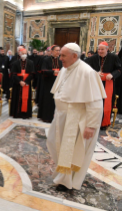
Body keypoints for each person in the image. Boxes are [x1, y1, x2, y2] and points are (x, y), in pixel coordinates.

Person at [47, 43, 106, 191]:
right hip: (61, 116)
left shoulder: (87, 72)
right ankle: (62, 175)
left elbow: (95, 102)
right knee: (54, 142)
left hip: (76, 118)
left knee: (72, 151)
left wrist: (91, 126)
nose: (60, 58)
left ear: (74, 56)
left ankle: (67, 182)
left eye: (63, 55)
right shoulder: (65, 69)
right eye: (60, 55)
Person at [86, 41, 121, 129]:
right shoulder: (93, 58)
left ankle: (104, 123)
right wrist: (95, 73)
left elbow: (119, 69)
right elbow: (86, 69)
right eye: (99, 49)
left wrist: (112, 75)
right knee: (94, 103)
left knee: (105, 103)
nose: (100, 51)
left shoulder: (113, 57)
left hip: (108, 84)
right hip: (95, 83)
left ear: (107, 49)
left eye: (102, 49)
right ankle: (93, 122)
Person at [38, 45, 62, 123]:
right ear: (51, 51)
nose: (58, 52)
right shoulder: (46, 60)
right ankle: (47, 117)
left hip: (58, 83)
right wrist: (53, 72)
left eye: (59, 50)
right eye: (56, 50)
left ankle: (56, 117)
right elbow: (43, 70)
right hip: (48, 83)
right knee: (48, 101)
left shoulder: (61, 60)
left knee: (57, 101)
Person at [10, 48, 35, 119]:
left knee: (26, 99)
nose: (24, 55)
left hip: (26, 83)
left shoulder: (30, 63)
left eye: (25, 53)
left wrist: (26, 82)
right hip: (18, 84)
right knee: (17, 98)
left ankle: (25, 114)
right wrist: (20, 81)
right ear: (19, 54)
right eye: (23, 53)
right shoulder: (15, 63)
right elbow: (13, 74)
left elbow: (32, 74)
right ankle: (17, 113)